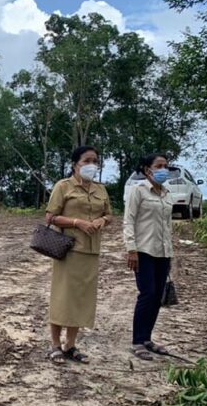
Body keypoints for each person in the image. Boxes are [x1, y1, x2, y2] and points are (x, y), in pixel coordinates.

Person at [44, 145, 112, 364]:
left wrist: (102, 220)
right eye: (87, 161)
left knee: (81, 299)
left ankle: (70, 345)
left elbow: (109, 215)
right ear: (75, 165)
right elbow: (50, 217)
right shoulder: (63, 186)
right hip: (68, 250)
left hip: (90, 251)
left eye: (95, 161)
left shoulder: (100, 189)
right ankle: (55, 345)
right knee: (63, 297)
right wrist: (77, 222)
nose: (92, 165)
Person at [123, 153, 174, 360]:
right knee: (147, 293)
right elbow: (129, 220)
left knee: (157, 295)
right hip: (143, 251)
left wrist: (170, 252)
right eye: (159, 166)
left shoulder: (167, 193)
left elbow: (168, 225)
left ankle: (147, 339)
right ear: (147, 170)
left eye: (166, 166)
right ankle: (137, 341)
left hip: (163, 252)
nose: (164, 170)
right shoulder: (138, 190)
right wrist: (131, 249)